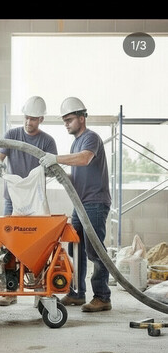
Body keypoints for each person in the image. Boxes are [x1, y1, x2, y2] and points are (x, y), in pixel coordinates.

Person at [41, 96, 112, 313]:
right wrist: (58, 172)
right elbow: (76, 176)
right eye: (64, 120)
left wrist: (56, 158)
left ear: (82, 118)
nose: (66, 124)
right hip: (80, 203)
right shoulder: (75, 142)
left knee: (95, 251)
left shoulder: (91, 138)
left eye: (69, 119)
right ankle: (77, 293)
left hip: (94, 203)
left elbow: (84, 159)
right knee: (75, 247)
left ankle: (102, 297)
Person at [0, 95, 58, 305]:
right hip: (12, 198)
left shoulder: (47, 141)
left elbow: (53, 168)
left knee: (38, 244)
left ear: (41, 120)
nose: (29, 123)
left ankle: (38, 288)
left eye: (34, 119)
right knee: (10, 244)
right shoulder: (12, 134)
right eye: (27, 118)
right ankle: (10, 291)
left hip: (35, 201)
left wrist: (50, 170)